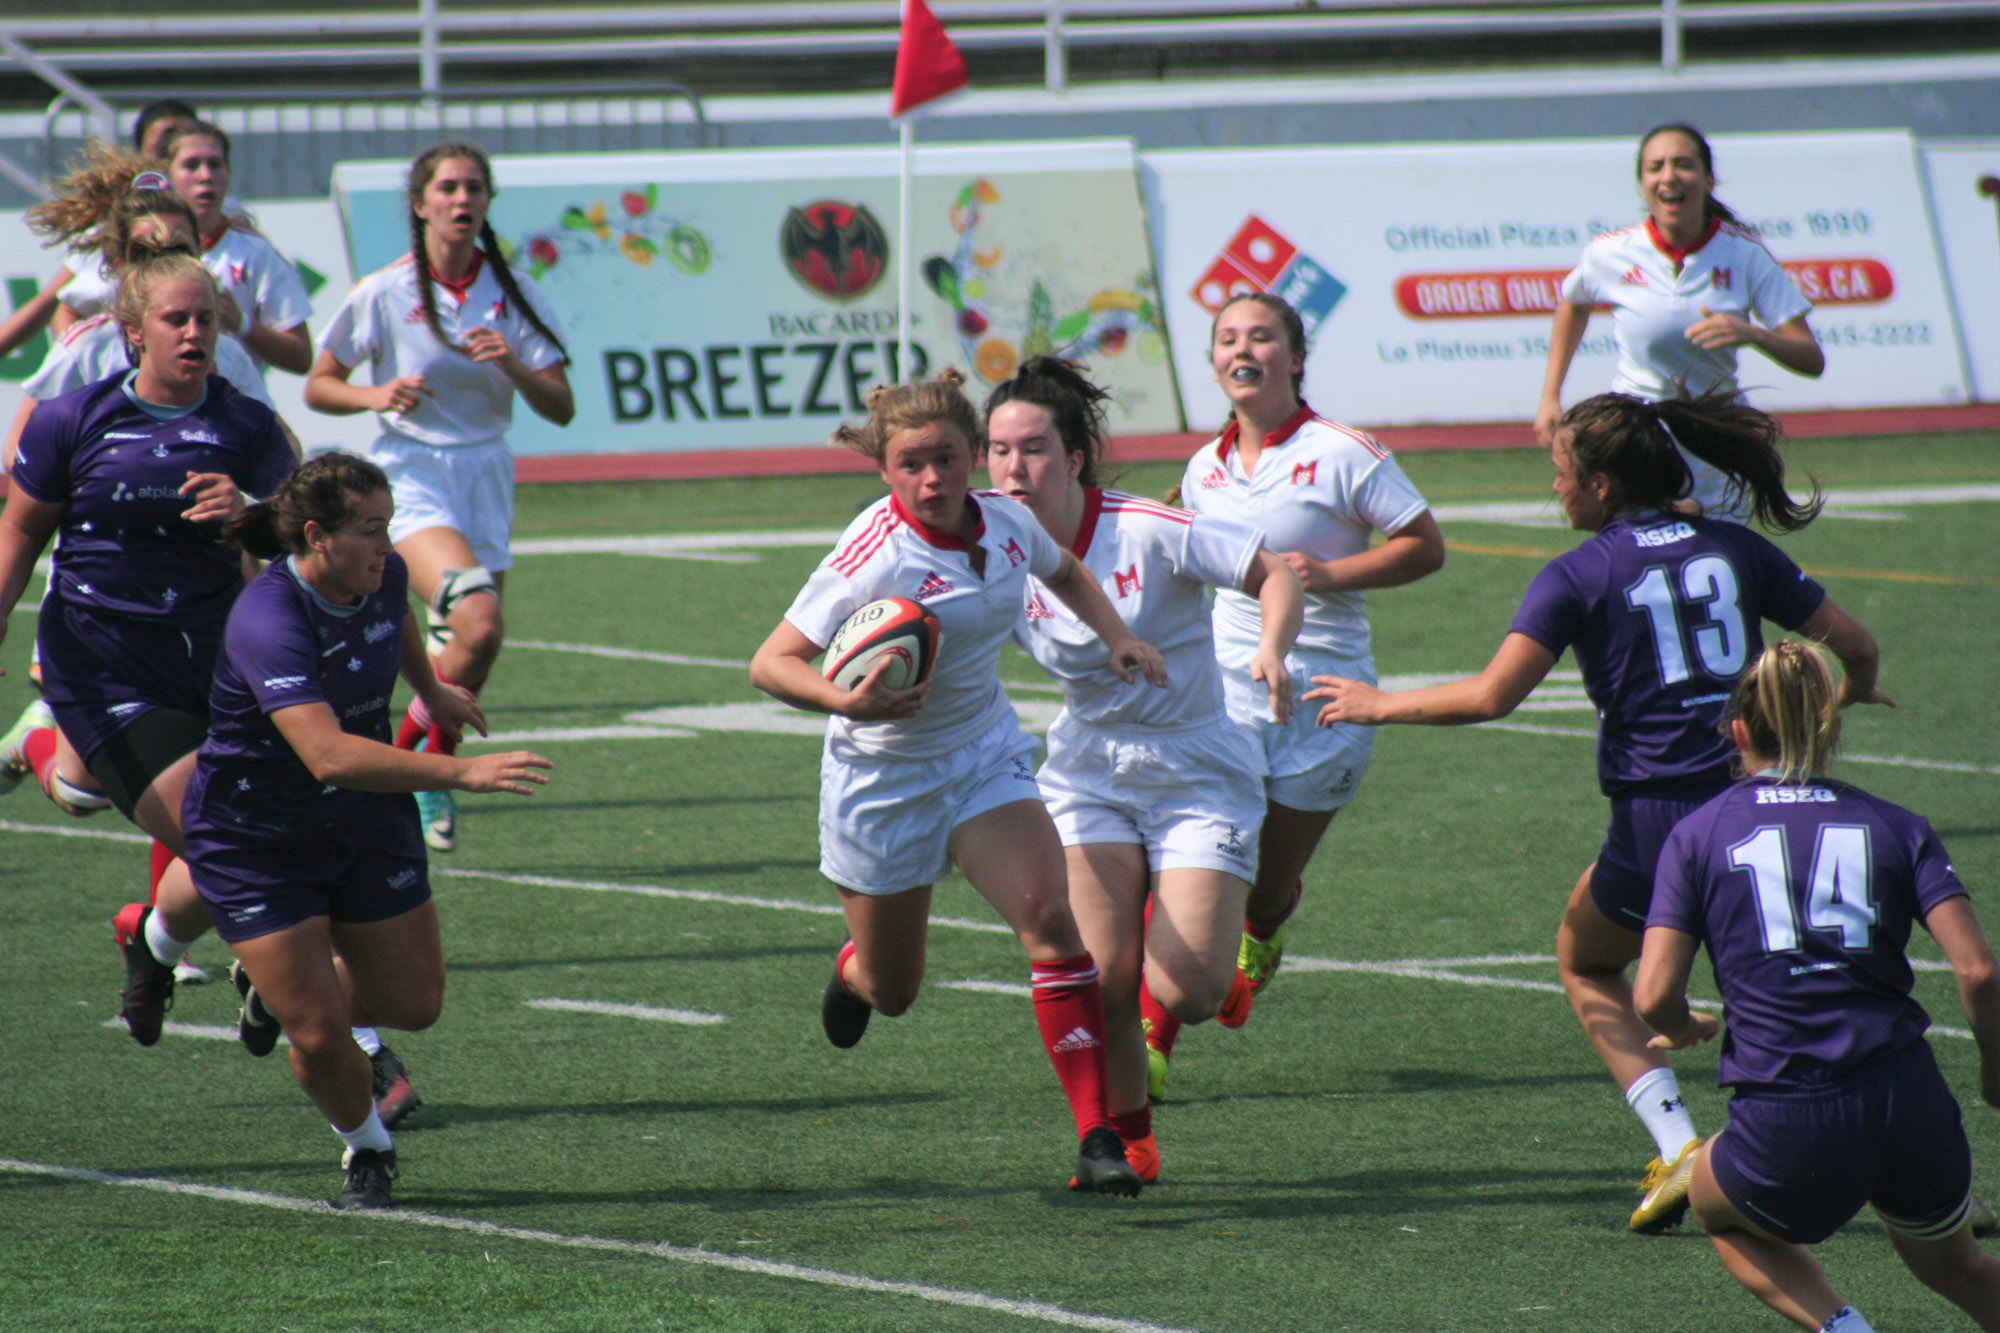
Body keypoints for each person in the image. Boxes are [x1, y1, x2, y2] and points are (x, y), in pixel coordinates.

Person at [1305, 389, 1886, 1233]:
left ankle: (1681, 1142)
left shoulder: (1579, 572)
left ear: (1605, 485)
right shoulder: (1736, 546)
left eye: (1562, 471)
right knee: (1818, 981)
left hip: (1662, 825)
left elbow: (1491, 694)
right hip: (1774, 805)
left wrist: (1375, 703)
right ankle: (1917, 1168)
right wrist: (1851, 700)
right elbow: (1858, 646)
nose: (1557, 487)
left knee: (1585, 962)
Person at [749, 369, 1166, 1196]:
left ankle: (1097, 1137)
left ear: (973, 456)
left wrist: (1116, 634)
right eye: (910, 465)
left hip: (982, 756)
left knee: (1053, 917)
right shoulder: (872, 551)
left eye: (945, 459)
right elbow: (770, 662)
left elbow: (1067, 571)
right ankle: (853, 971)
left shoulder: (1008, 523)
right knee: (895, 990)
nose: (931, 479)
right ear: (885, 471)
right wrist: (846, 698)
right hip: (883, 780)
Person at [186, 452, 552, 1209]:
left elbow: (399, 622)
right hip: (258, 831)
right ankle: (367, 1150)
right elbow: (325, 753)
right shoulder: (268, 617)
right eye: (373, 529)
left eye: (389, 527)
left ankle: (278, 988)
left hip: (362, 815)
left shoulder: (377, 573)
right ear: (317, 536)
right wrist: (460, 772)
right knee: (320, 1036)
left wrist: (433, 691)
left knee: (415, 1002)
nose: (390, 547)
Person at [985, 356, 1304, 1177]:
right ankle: (1128, 1139)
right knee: (1101, 973)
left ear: (1076, 457)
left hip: (1196, 768)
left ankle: (1209, 947)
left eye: (1034, 449)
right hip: (1089, 772)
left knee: (1188, 989)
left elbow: (1273, 573)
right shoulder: (992, 549)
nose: (1014, 468)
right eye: (998, 450)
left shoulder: (1144, 528)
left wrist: (1271, 648)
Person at [1636, 640, 2000, 1332]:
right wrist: (1995, 1069)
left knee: (1717, 1208)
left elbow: (1652, 994)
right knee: (1960, 1269)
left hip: (1790, 1111)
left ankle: (1844, 1326)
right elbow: (1980, 969)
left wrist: (1683, 1026)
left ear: (1738, 730)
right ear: (1831, 726)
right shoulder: (1898, 824)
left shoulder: (1697, 832)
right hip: (1908, 1101)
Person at [0, 252, 295, 1042]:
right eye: (177, 319)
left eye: (206, 318)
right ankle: (337, 1035)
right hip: (102, 666)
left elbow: (305, 531)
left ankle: (153, 939)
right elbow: (22, 528)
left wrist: (254, 509)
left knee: (272, 827)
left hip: (214, 663)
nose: (196, 332)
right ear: (133, 331)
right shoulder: (75, 418)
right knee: (233, 838)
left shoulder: (245, 423)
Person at [1175, 291, 1445, 1071]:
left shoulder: (1344, 450)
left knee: (1259, 887)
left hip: (1327, 700)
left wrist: (1328, 572)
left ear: (1295, 357)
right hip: (1224, 693)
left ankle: (1266, 923)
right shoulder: (1203, 469)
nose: (1242, 350)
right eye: (1227, 339)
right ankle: (1152, 1047)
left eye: (1261, 336)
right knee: (1203, 861)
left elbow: (1424, 547)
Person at [305, 141, 574, 856]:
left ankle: (417, 774)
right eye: (449, 188)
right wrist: (374, 392)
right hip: (409, 474)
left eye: (476, 189)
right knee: (479, 622)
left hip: (486, 474)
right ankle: (409, 767)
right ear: (420, 204)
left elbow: (563, 406)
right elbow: (318, 383)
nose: (463, 200)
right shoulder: (386, 290)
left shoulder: (513, 295)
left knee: (469, 651)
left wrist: (512, 362)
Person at [1535, 123, 1823, 521]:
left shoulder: (1745, 255)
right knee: (1635, 562)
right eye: (1656, 167)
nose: (1669, 176)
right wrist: (1551, 394)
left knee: (1720, 561)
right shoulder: (1610, 253)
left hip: (1714, 442)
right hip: (1634, 440)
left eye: (1683, 164)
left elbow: (1811, 359)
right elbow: (1574, 303)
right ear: (1642, 185)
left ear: (1708, 180)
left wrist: (1752, 334)